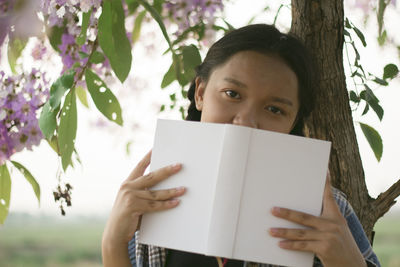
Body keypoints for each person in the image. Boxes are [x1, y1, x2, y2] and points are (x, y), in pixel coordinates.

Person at [101, 24, 381, 267]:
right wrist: (112, 244)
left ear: (293, 121)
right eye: (232, 94)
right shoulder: (148, 204)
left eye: (274, 109)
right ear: (200, 93)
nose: (246, 122)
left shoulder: (325, 213)